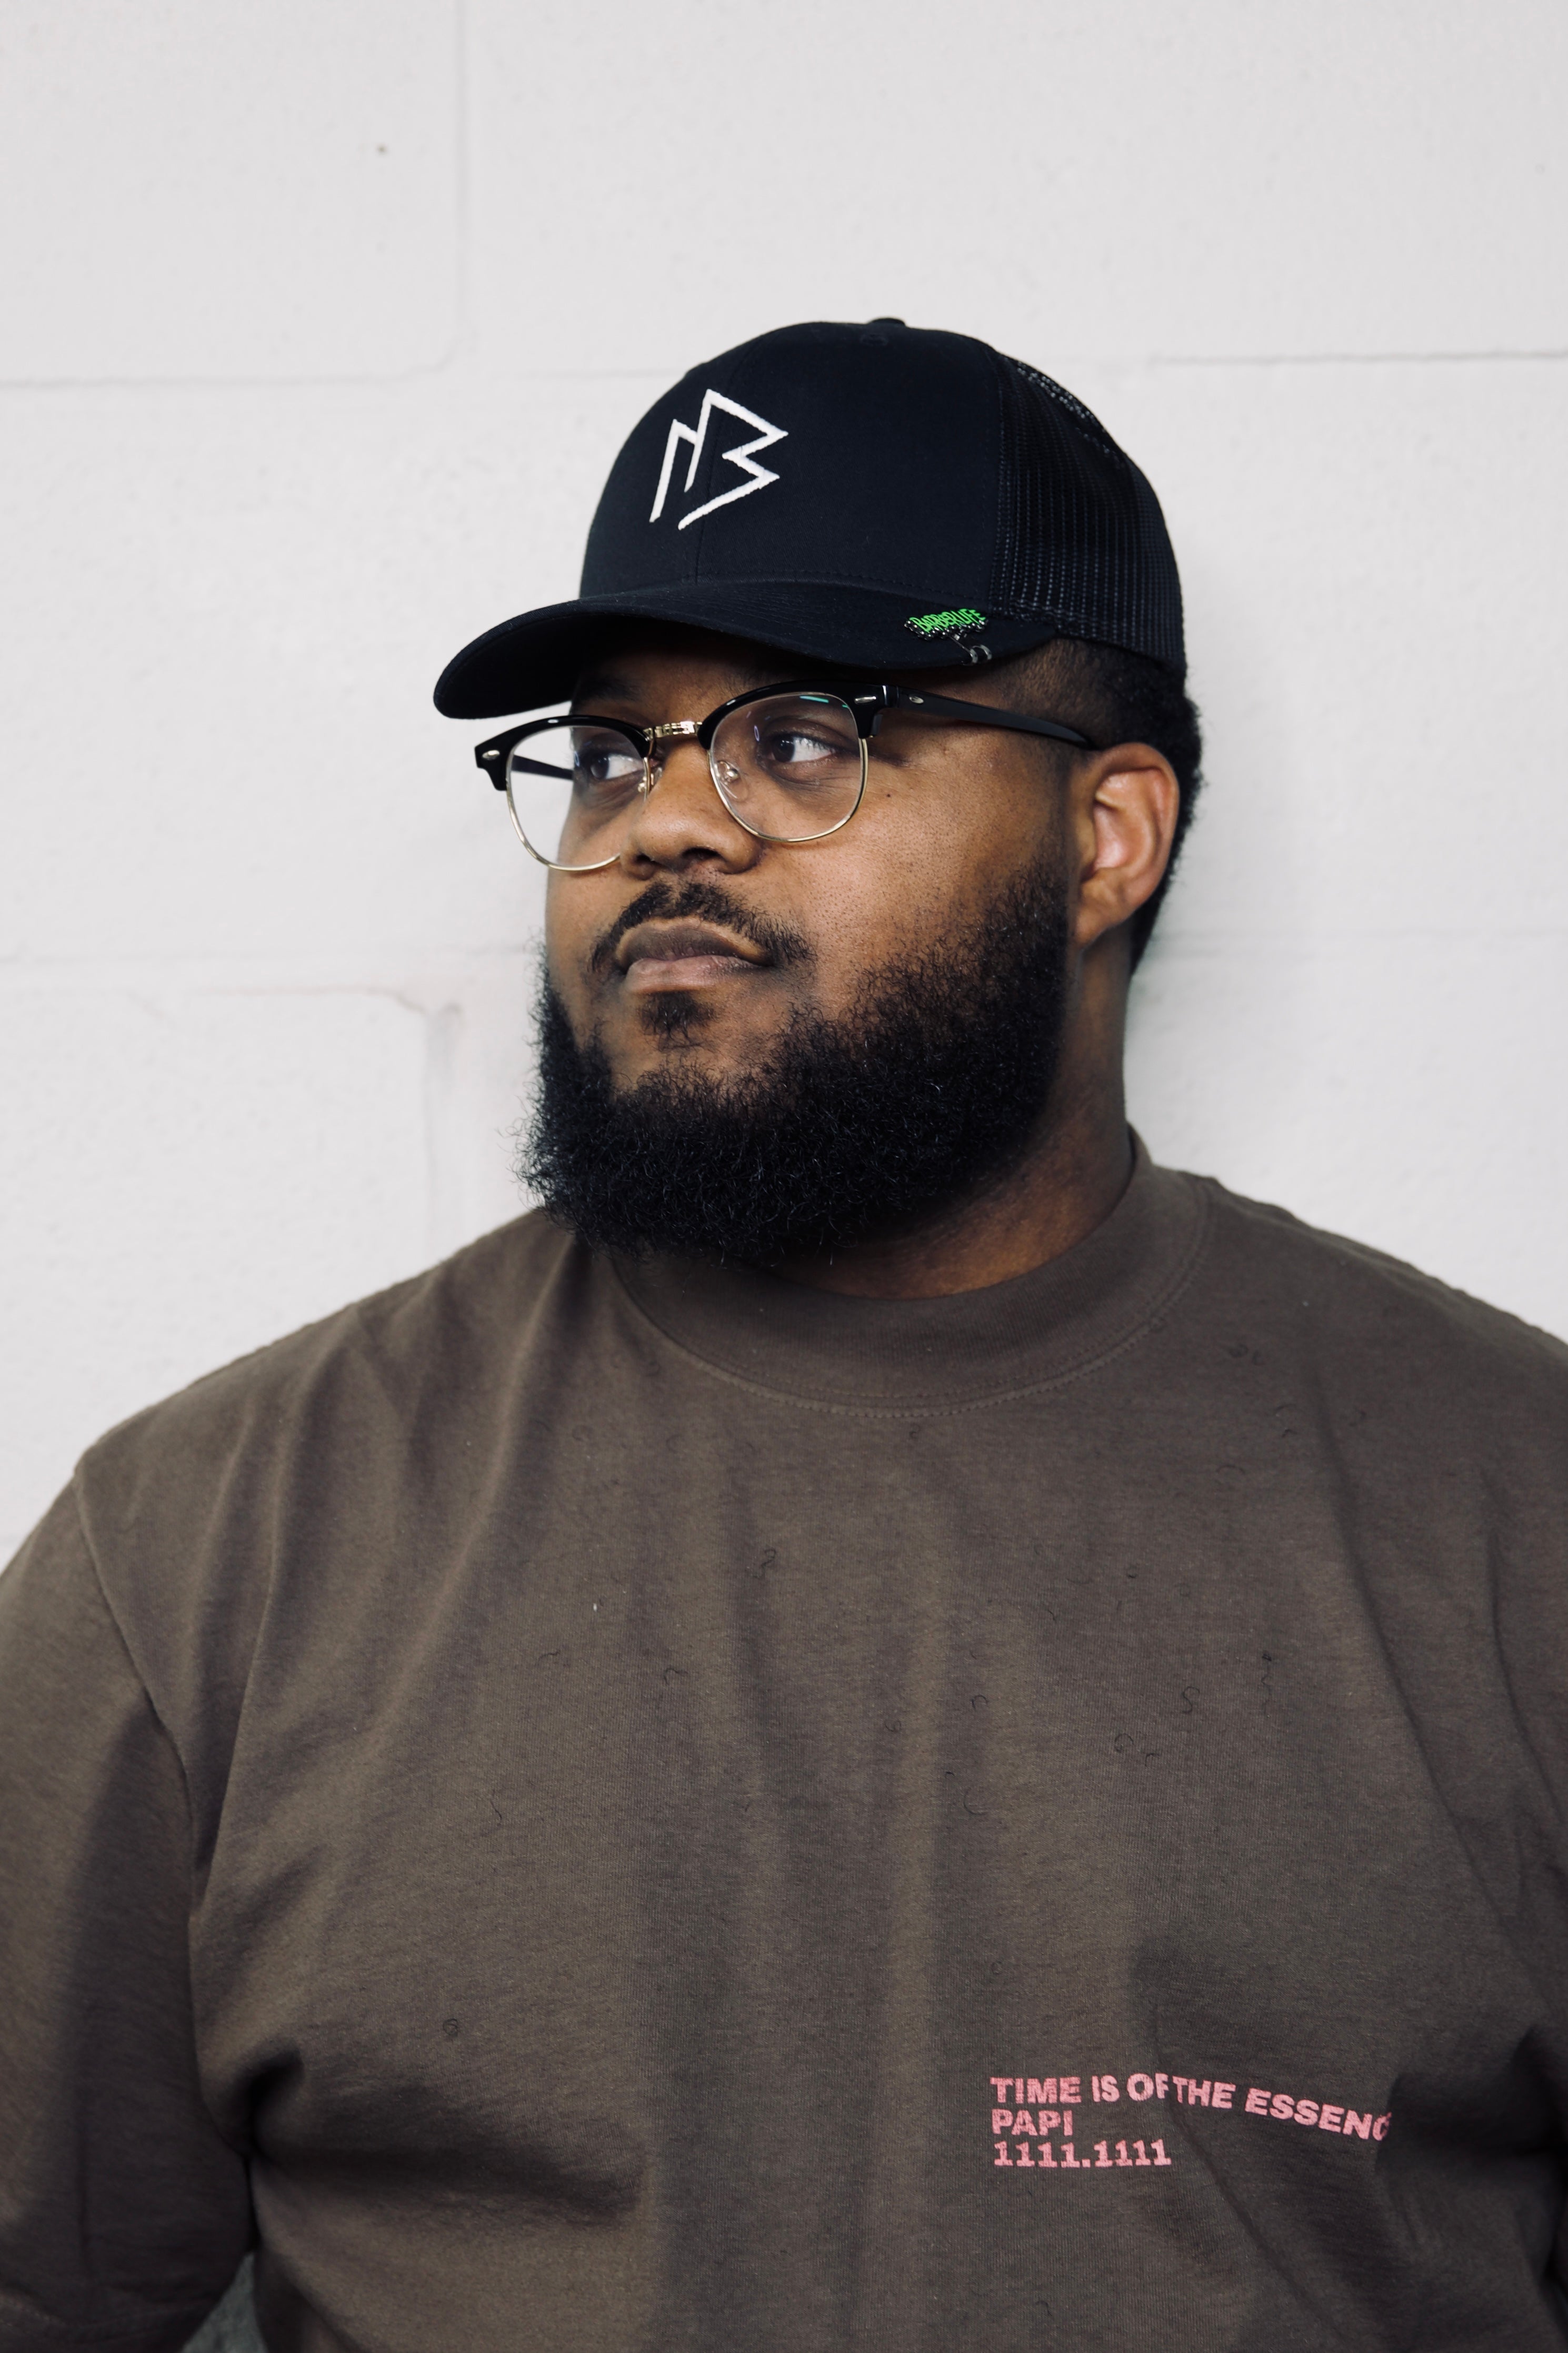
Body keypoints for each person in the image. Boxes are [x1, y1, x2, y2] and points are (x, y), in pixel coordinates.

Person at [2, 319, 1566, 2353]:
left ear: (1107, 837)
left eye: (806, 737)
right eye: (609, 747)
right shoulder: (207, 1548)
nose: (663, 821)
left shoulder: (1510, 1511)